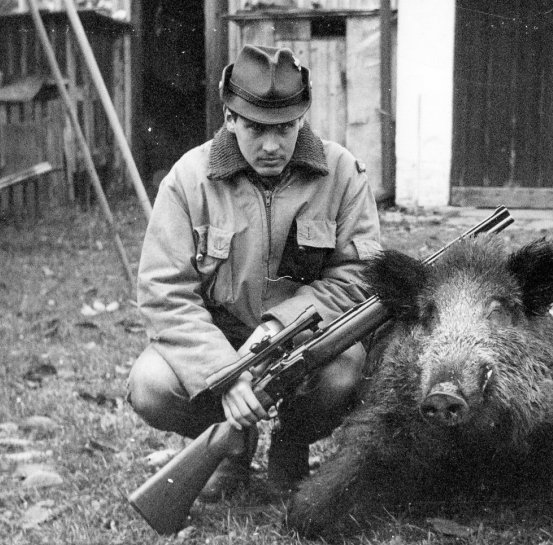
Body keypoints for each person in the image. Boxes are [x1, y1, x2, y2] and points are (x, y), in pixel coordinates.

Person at [127, 44, 382, 498]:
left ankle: (291, 443)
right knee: (151, 385)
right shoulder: (188, 179)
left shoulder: (343, 174)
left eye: (285, 128)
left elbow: (358, 275)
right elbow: (164, 292)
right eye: (255, 128)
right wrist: (226, 373)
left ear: (302, 118)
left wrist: (277, 329)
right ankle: (232, 447)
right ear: (230, 118)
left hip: (304, 340)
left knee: (347, 370)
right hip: (217, 340)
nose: (271, 145)